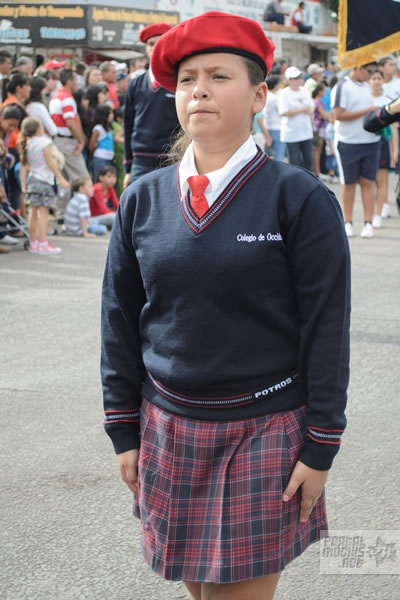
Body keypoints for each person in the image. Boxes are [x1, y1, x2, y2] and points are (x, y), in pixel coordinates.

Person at [101, 11, 350, 600]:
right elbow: (119, 319)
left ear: (259, 96)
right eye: (187, 79)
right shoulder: (142, 199)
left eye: (219, 76)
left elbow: (326, 328)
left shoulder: (299, 198)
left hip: (265, 430)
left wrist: (321, 445)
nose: (199, 91)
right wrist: (122, 427)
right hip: (167, 426)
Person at [123, 23, 180, 188]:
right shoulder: (135, 84)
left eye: (160, 42)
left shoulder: (180, 81)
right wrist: (128, 168)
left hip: (172, 159)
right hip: (141, 162)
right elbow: (128, 125)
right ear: (145, 48)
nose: (155, 47)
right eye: (151, 43)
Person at [332, 63, 381, 238]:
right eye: (369, 71)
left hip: (371, 141)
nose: (372, 75)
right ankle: (347, 222)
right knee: (349, 183)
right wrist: (367, 111)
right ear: (359, 68)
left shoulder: (371, 86)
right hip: (348, 142)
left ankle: (368, 222)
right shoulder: (343, 85)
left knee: (368, 182)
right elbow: (338, 115)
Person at [19, 117, 68, 255]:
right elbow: (50, 161)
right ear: (39, 129)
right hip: (44, 181)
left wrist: (23, 184)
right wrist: (60, 177)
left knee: (33, 213)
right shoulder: (45, 142)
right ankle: (43, 243)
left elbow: (24, 166)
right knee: (43, 214)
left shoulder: (28, 144)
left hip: (32, 180)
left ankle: (33, 243)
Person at [49, 68, 89, 221]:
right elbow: (71, 122)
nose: (77, 82)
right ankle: (82, 215)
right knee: (83, 178)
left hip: (58, 141)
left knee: (64, 180)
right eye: (75, 79)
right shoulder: (67, 98)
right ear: (69, 82)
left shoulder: (56, 96)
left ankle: (61, 213)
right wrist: (81, 140)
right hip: (67, 142)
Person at [368, 68, 398, 227]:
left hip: (383, 143)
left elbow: (393, 127)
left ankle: (379, 213)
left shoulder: (387, 100)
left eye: (379, 78)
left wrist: (395, 149)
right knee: (369, 181)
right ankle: (371, 213)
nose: (376, 81)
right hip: (366, 143)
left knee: (382, 179)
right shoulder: (365, 99)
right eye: (373, 78)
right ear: (369, 81)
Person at [278, 66, 314, 171]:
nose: (299, 80)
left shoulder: (305, 90)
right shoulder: (284, 93)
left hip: (306, 132)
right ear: (289, 80)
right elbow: (283, 112)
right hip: (291, 134)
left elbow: (311, 107)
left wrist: (309, 110)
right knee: (294, 163)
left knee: (308, 161)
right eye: (296, 78)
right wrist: (302, 109)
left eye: (300, 77)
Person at [89, 103, 115, 182]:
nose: (112, 115)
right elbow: (91, 145)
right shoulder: (98, 128)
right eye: (110, 113)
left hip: (109, 157)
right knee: (99, 180)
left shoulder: (109, 127)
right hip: (100, 158)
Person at [262, 74, 286, 161]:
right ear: (275, 86)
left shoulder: (264, 96)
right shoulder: (275, 98)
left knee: (268, 157)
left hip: (266, 127)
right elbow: (282, 112)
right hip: (277, 128)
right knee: (279, 156)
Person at [311, 83, 330, 178]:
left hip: (318, 128)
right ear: (319, 92)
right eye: (323, 91)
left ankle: (317, 171)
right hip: (319, 129)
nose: (325, 93)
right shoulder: (317, 102)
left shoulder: (316, 101)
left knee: (318, 150)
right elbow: (325, 115)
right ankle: (316, 172)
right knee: (317, 150)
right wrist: (326, 115)